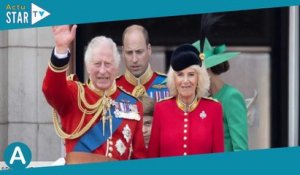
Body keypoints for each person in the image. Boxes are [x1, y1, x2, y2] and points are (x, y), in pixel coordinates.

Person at [42, 25, 146, 164]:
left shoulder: (133, 104)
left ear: (116, 67)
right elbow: (51, 89)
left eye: (108, 64)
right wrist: (61, 50)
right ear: (88, 67)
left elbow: (139, 157)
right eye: (97, 64)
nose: (102, 71)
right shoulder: (74, 95)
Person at [148, 44, 224, 158]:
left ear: (199, 78)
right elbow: (152, 158)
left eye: (191, 75)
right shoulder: (161, 108)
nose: (185, 81)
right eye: (180, 75)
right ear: (173, 78)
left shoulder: (214, 109)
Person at [193, 38, 248, 151]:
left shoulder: (231, 97)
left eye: (193, 74)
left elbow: (241, 148)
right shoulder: (205, 100)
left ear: (206, 70)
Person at [116, 24, 169, 102]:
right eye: (129, 53)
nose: (134, 59)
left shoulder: (169, 85)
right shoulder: (111, 88)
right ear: (123, 52)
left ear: (149, 50)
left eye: (139, 52)